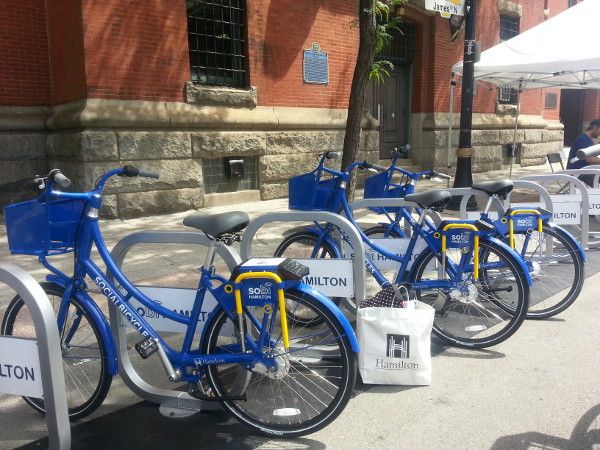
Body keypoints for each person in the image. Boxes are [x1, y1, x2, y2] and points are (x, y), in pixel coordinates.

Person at [566, 119, 600, 186]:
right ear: (595, 127)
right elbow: (590, 159)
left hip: (585, 170)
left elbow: (595, 158)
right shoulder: (583, 139)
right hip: (577, 171)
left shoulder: (588, 140)